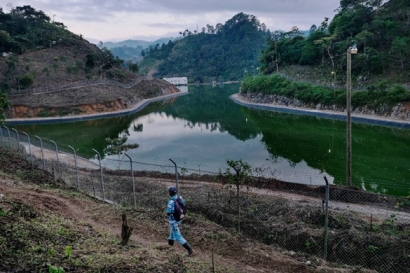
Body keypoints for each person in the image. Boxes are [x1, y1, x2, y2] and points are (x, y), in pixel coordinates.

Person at [166, 186, 193, 255]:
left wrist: (169, 216)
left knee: (178, 236)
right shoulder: (180, 198)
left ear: (169, 193)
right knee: (172, 234)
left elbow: (168, 213)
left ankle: (190, 250)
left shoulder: (171, 202)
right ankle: (169, 248)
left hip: (173, 221)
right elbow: (183, 206)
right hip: (179, 219)